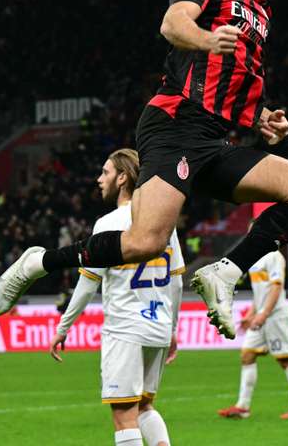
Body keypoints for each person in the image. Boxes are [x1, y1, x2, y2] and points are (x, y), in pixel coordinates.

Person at [0, 0, 288, 341]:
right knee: (144, 243)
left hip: (213, 136)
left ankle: (225, 273)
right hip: (175, 123)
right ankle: (38, 263)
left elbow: (237, 74)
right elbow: (172, 24)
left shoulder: (259, 4)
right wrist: (207, 38)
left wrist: (263, 118)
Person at [49, 149, 183, 446]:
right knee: (145, 406)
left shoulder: (108, 224)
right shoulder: (164, 221)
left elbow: (87, 284)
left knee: (124, 413)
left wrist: (63, 327)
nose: (99, 179)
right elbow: (177, 281)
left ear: (123, 178)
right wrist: (172, 328)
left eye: (105, 172)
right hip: (158, 325)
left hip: (125, 328)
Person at [217, 249, 288, 420]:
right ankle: (243, 407)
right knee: (247, 355)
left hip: (276, 316)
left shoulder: (274, 256)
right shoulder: (254, 259)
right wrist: (251, 314)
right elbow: (260, 293)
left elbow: (276, 286)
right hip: (261, 315)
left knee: (285, 360)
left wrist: (264, 313)